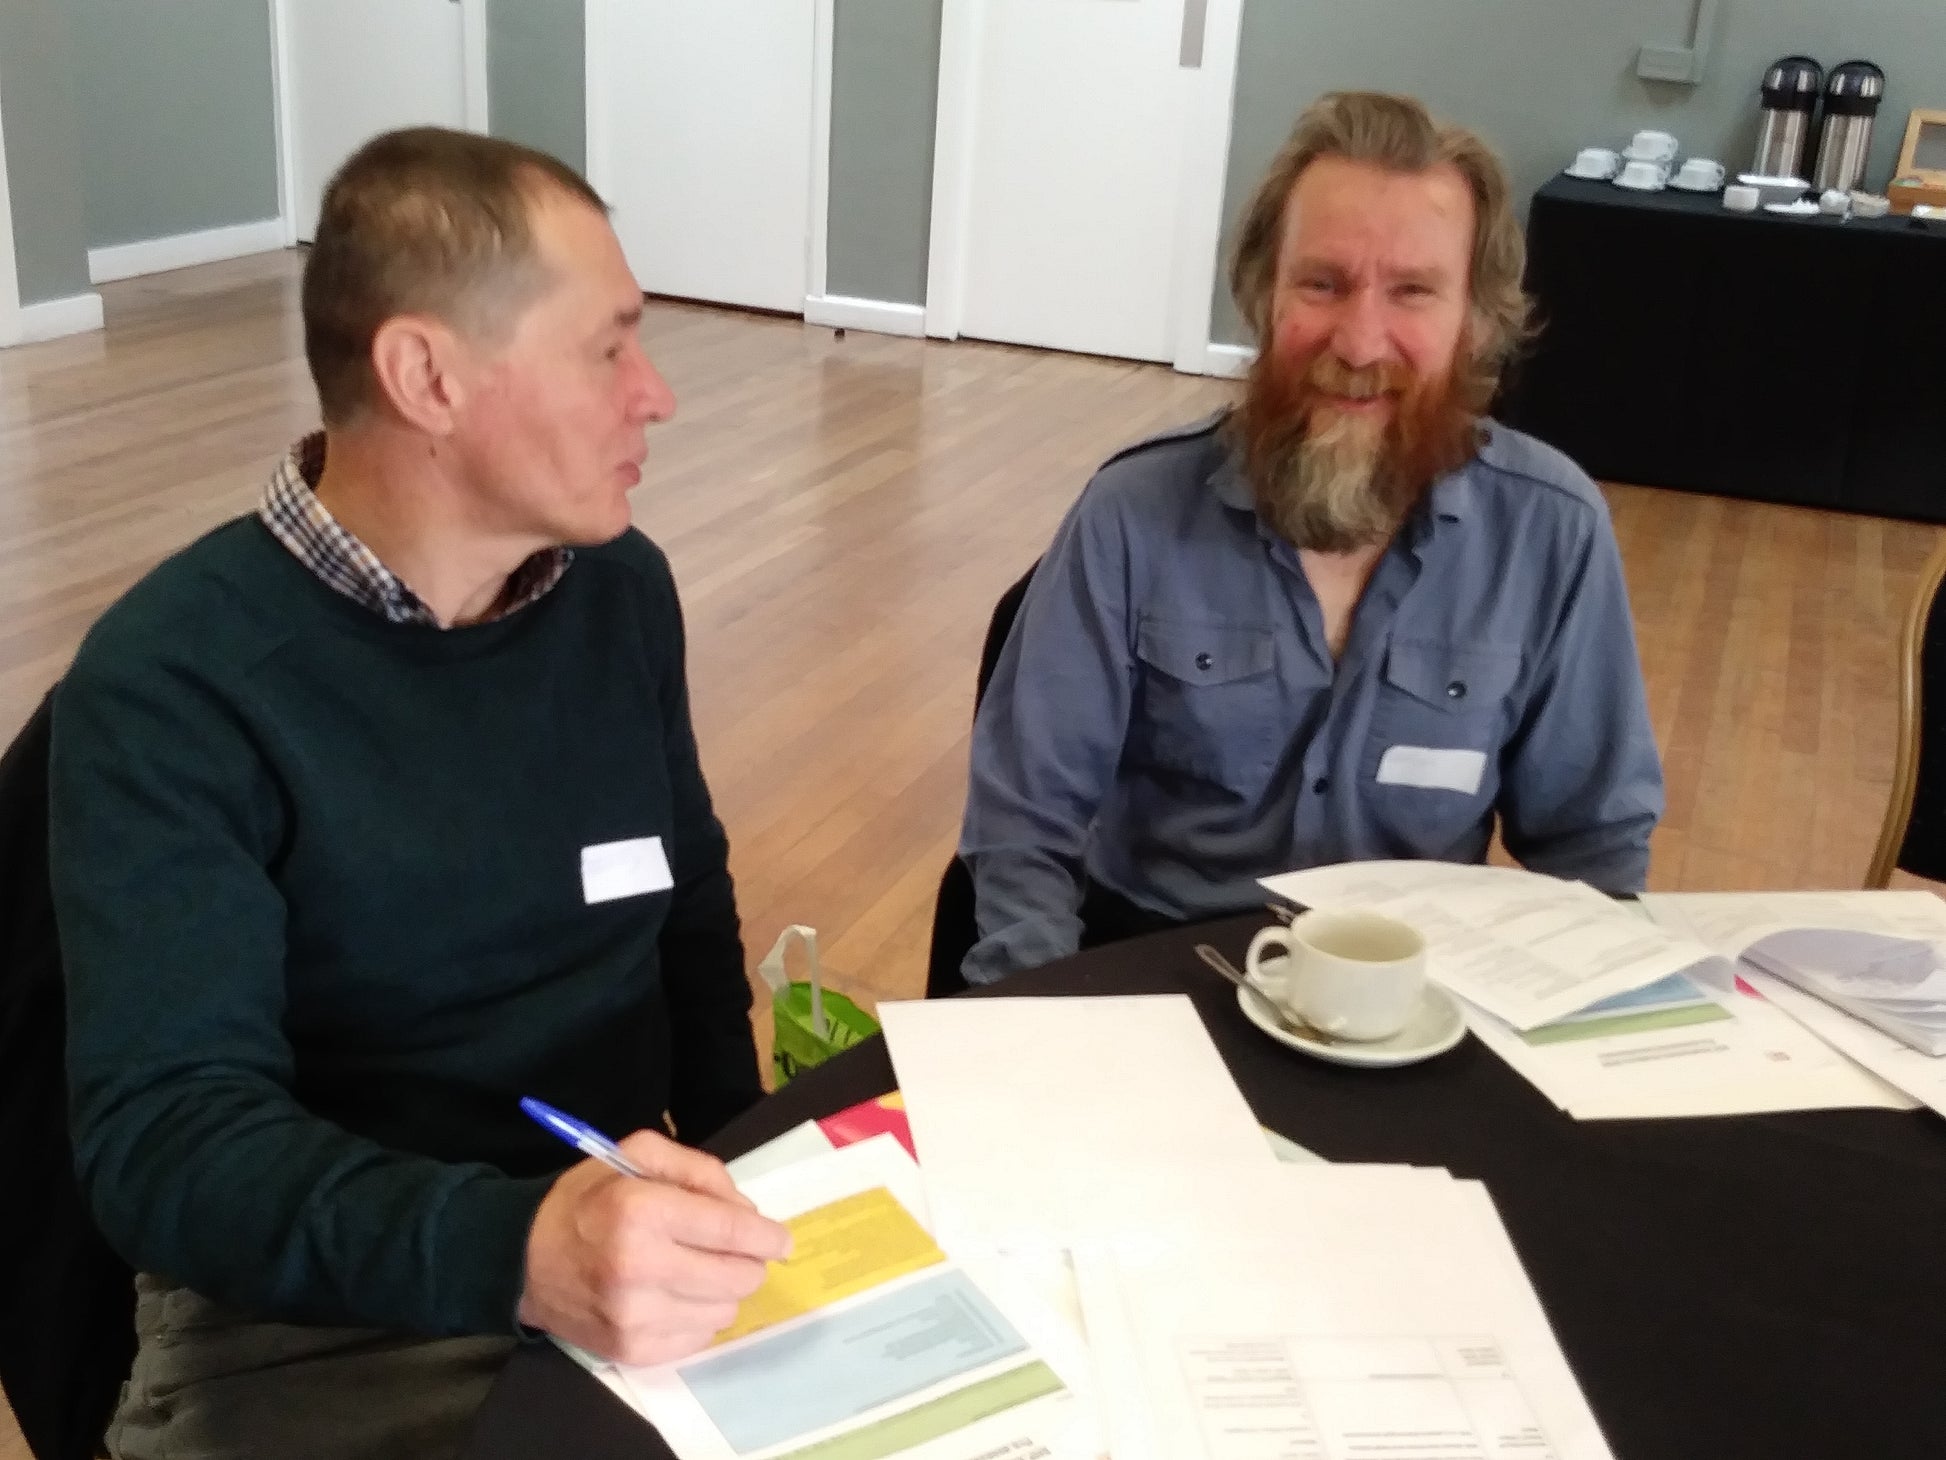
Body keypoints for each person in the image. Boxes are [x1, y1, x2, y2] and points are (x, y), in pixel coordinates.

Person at [48, 128, 791, 1460]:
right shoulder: (175, 688)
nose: (658, 393)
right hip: (314, 1315)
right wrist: (518, 1249)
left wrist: (749, 1156)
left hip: (619, 1234)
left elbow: (683, 893)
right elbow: (168, 1146)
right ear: (426, 375)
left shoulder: (618, 591)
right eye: (607, 347)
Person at [958, 91, 1664, 986]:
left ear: (1475, 323)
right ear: (1263, 294)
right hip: (1162, 972)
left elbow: (1593, 845)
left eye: (1412, 291)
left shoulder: (1552, 531)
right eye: (1322, 284)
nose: (1361, 342)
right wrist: (1040, 1031)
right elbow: (1024, 830)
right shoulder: (1132, 513)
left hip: (1413, 1000)